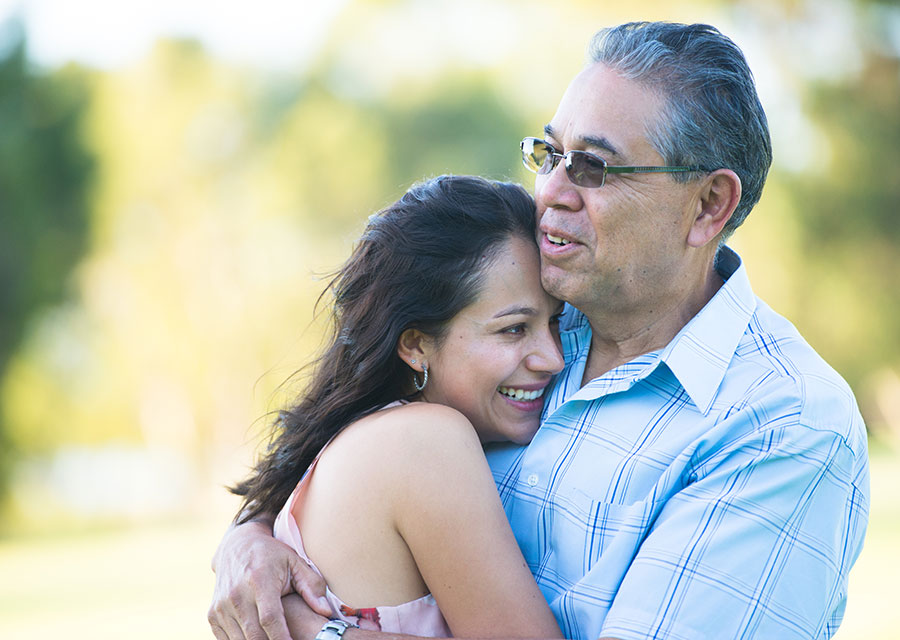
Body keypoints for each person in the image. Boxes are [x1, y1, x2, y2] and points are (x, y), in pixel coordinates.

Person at [209, 21, 870, 640]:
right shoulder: (526, 304)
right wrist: (251, 540)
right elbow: (355, 434)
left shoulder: (780, 424)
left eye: (592, 167)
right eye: (549, 154)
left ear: (708, 205)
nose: (551, 191)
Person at [211, 174, 566, 640]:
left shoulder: (363, 439)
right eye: (514, 329)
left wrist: (318, 630)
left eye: (556, 322)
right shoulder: (424, 441)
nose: (555, 358)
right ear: (416, 344)